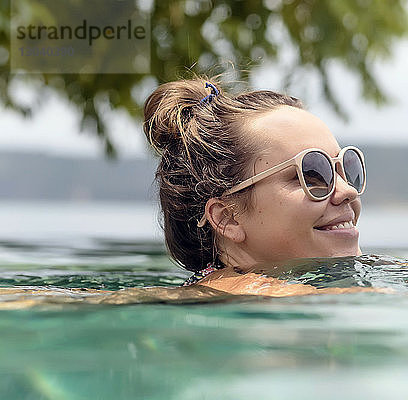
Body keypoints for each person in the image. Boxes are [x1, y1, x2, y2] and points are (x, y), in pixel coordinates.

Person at [142, 77, 367, 296]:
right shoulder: (254, 293)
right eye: (311, 173)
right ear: (227, 218)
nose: (348, 190)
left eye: (346, 167)